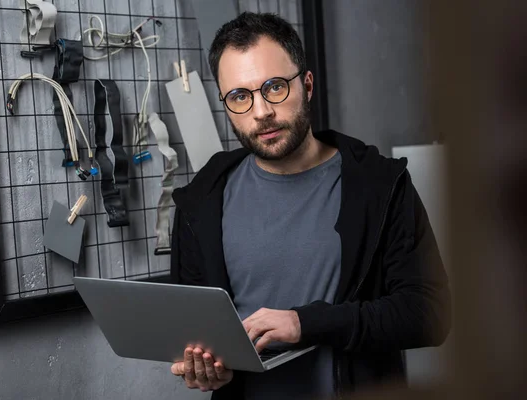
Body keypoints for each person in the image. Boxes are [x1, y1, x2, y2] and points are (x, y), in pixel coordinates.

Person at [169, 12, 451, 400]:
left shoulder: (379, 186)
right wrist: (206, 371)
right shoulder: (200, 203)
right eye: (240, 96)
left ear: (307, 84)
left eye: (275, 87)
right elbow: (199, 341)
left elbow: (430, 314)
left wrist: (307, 323)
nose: (261, 111)